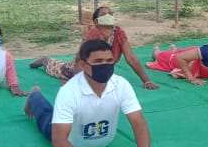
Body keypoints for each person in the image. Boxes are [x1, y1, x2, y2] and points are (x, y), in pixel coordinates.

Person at [23, 39, 161, 147]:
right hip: (72, 141)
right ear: (83, 65)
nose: (105, 65)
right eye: (98, 61)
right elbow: (59, 140)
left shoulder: (121, 85)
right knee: (45, 115)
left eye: (109, 60)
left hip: (104, 140)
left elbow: (138, 122)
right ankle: (34, 96)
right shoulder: (69, 91)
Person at [30, 6, 160, 90]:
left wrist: (146, 81)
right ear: (96, 21)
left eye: (110, 13)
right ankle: (45, 60)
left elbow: (131, 58)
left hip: (102, 70)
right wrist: (76, 81)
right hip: (80, 67)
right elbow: (80, 59)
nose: (107, 15)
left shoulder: (119, 32)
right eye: (103, 14)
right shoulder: (93, 32)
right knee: (60, 69)